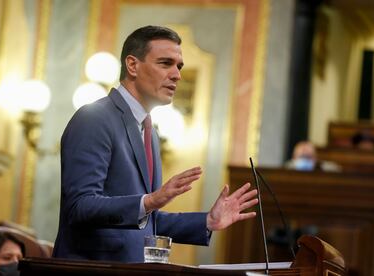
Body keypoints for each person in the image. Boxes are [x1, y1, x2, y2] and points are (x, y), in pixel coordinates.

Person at [52, 25, 259, 263]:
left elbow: (144, 220)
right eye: (165, 63)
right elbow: (79, 206)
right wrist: (149, 201)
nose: (177, 75)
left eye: (179, 66)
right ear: (132, 65)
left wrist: (207, 221)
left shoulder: (149, 132)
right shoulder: (95, 118)